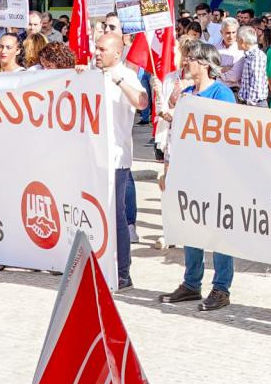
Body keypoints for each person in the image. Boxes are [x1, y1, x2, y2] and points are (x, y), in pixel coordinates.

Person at [161, 41, 238, 312]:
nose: (186, 62)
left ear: (205, 63)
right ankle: (192, 282)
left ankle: (221, 287)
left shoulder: (222, 93)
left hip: (215, 173)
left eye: (191, 58)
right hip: (190, 170)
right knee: (191, 225)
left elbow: (225, 129)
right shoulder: (188, 92)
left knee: (218, 232)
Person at [91, 31, 149, 291]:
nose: (97, 52)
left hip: (116, 157)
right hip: (94, 156)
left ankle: (123, 273)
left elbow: (142, 102)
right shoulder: (93, 73)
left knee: (116, 215)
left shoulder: (126, 74)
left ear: (117, 52)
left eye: (102, 49)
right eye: (96, 48)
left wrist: (119, 82)